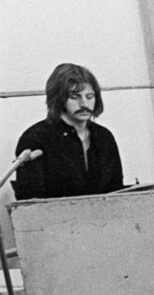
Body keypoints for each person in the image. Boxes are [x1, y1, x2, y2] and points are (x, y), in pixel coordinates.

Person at [13, 63, 124, 199]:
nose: (84, 104)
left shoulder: (104, 136)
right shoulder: (36, 138)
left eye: (89, 97)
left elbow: (117, 190)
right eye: (74, 97)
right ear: (58, 98)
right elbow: (30, 202)